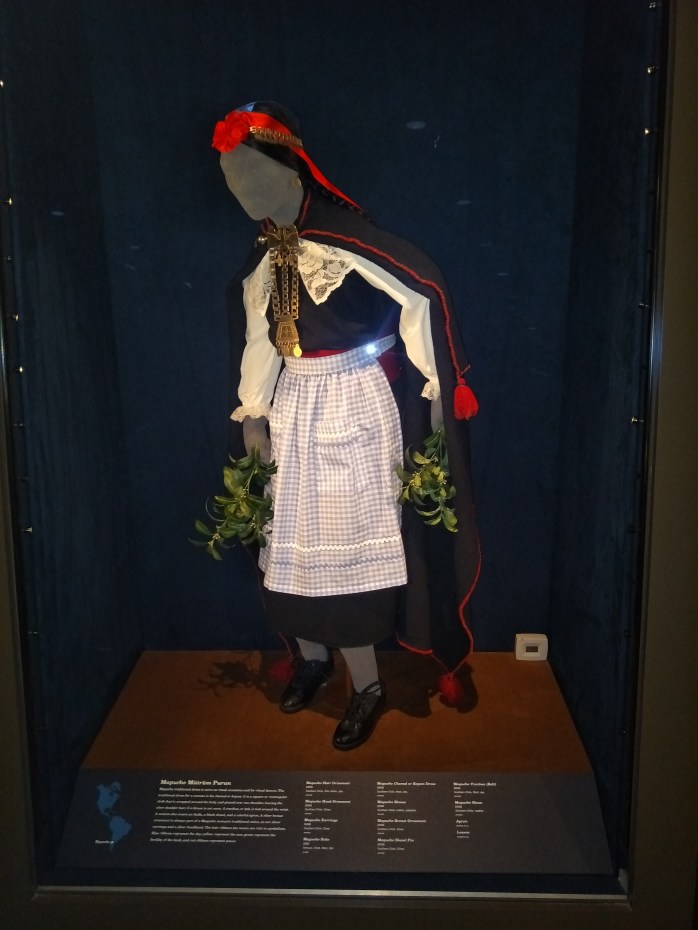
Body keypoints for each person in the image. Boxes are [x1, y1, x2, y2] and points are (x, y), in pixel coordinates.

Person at [213, 101, 480, 750]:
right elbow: (259, 337)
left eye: (252, 174)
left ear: (291, 171)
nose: (243, 191)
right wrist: (253, 410)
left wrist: (438, 386)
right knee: (288, 545)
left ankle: (367, 685)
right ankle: (311, 660)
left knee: (345, 553)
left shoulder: (346, 241)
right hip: (294, 407)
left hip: (353, 407)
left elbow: (419, 292)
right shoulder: (263, 258)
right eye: (231, 180)